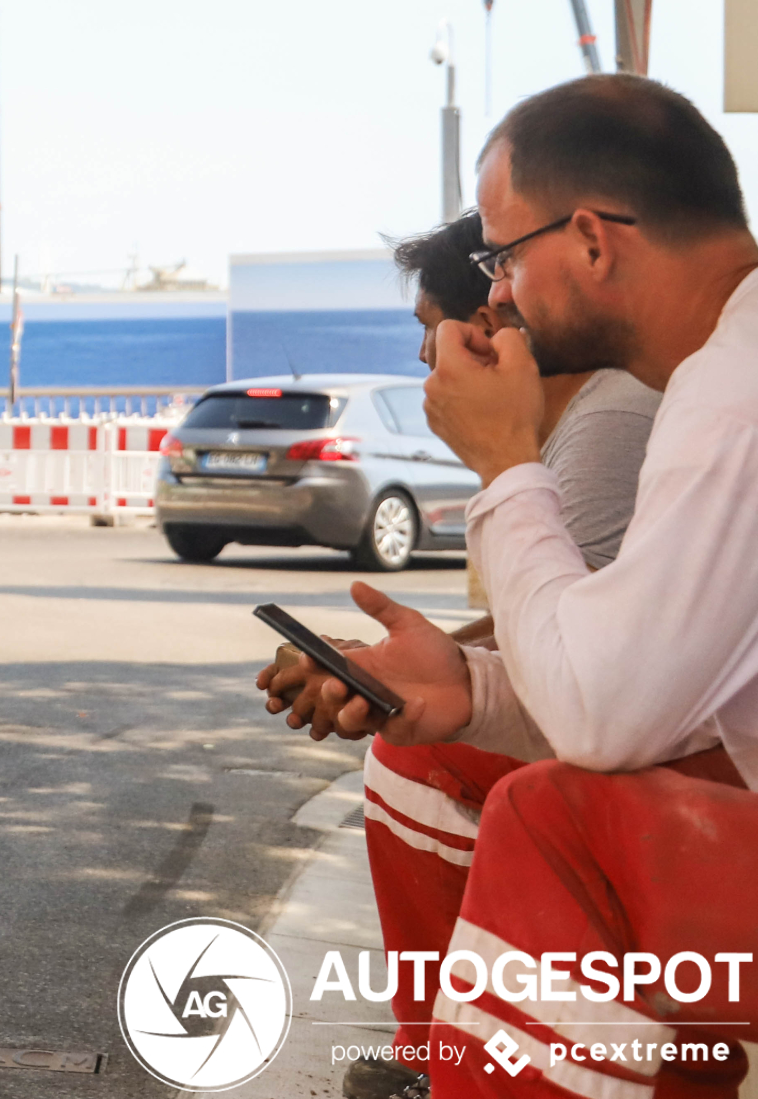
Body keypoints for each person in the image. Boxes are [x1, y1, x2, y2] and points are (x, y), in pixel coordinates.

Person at [272, 75, 758, 1099]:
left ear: (590, 240)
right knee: (504, 775)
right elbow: (670, 693)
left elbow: (603, 716)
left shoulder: (732, 390)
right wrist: (468, 690)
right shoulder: (715, 375)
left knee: (556, 818)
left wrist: (502, 465)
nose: (493, 292)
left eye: (501, 256)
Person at [273, 211, 659, 1099]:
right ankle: (450, 1050)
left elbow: (579, 657)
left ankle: (446, 1059)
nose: (422, 361)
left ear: (489, 326)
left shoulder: (607, 426)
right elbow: (563, 623)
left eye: (428, 329)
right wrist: (422, 656)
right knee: (422, 741)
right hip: (645, 713)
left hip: (675, 753)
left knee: (430, 763)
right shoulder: (582, 416)